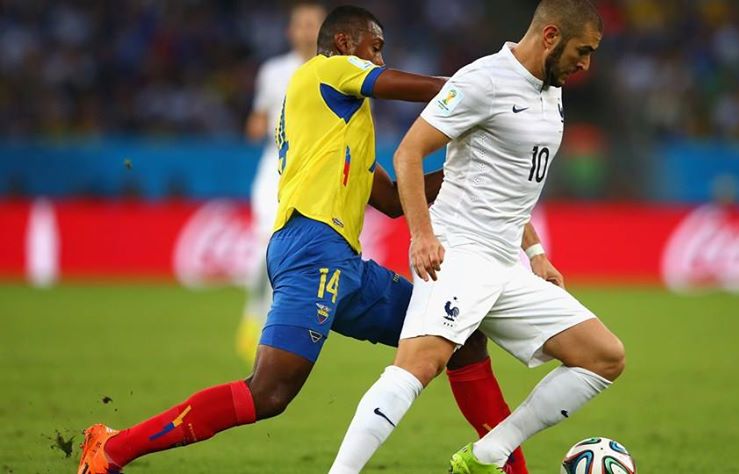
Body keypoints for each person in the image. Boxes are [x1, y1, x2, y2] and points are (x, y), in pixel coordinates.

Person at [78, 6, 528, 474]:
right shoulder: (325, 69)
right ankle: (112, 449)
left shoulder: (342, 127)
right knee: (269, 392)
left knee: (461, 338)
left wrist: (468, 171)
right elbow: (412, 86)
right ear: (345, 43)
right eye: (375, 48)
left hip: (344, 264)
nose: (379, 60)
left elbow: (393, 201)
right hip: (312, 247)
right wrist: (489, 89)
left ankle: (510, 468)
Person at [328, 1, 626, 473]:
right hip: (460, 251)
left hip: (506, 262)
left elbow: (512, 184)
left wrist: (536, 252)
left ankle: (489, 452)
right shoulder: (482, 80)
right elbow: (408, 154)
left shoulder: (551, 89)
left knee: (604, 356)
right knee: (418, 366)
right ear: (551, 36)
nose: (586, 65)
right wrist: (422, 235)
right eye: (582, 51)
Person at [236, 2, 326, 365]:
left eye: (313, 24)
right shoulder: (273, 71)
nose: (306, 31)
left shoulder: (337, 71)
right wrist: (259, 125)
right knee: (266, 245)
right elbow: (257, 120)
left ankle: (281, 327)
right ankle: (254, 312)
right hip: (276, 166)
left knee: (299, 251)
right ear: (290, 31)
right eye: (301, 24)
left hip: (317, 171)